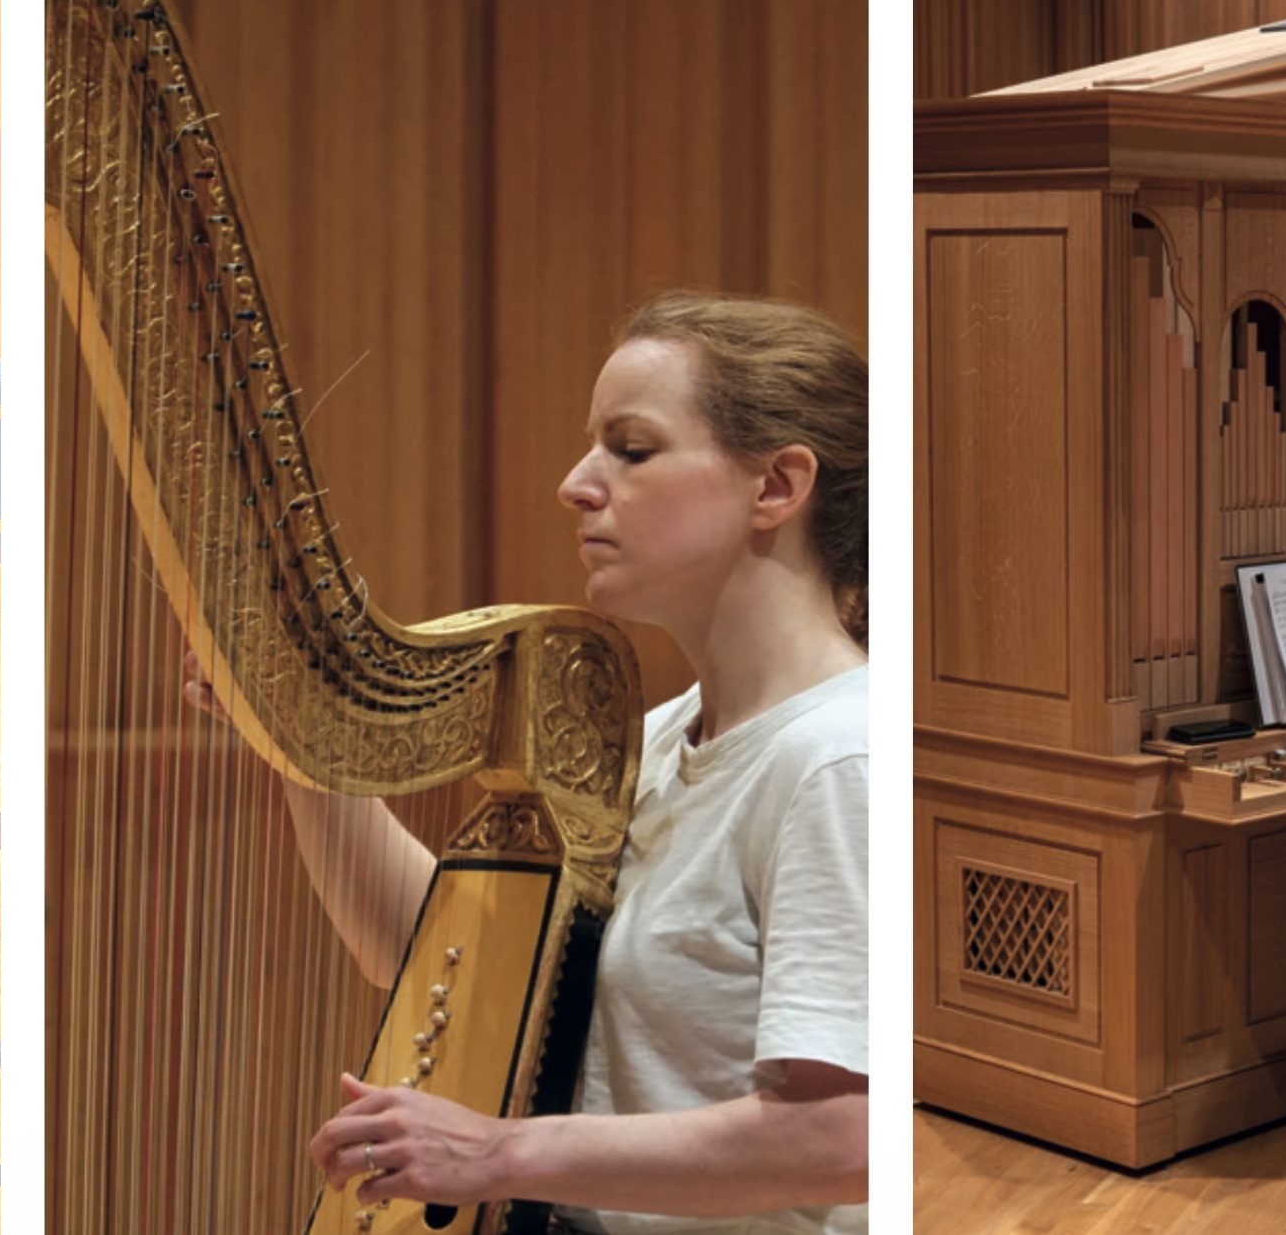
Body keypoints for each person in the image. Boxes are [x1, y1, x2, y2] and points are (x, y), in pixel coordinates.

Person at [186, 291, 870, 1232]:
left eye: (631, 450)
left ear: (778, 487)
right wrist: (306, 750)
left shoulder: (836, 761)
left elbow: (840, 1137)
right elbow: (429, 955)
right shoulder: (668, 735)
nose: (577, 483)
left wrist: (500, 1151)